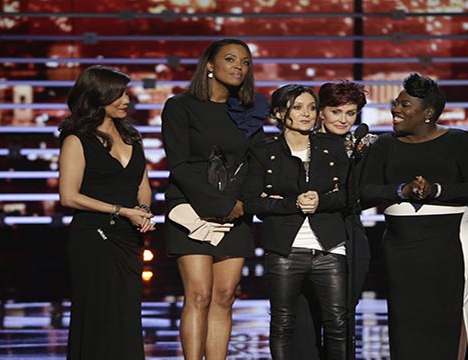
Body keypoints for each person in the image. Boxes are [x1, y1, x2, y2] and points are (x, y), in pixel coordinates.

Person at [360, 73, 468, 360]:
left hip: (451, 239)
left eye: (405, 105)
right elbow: (366, 189)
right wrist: (401, 190)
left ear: (428, 113)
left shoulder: (458, 141)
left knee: (452, 310)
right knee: (406, 316)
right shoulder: (384, 145)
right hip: (401, 244)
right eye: (396, 103)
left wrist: (436, 190)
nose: (396, 109)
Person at [161, 38, 268, 360]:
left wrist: (243, 205)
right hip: (191, 210)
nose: (240, 67)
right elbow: (179, 164)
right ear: (209, 65)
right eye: (231, 60)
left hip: (236, 212)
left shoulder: (251, 109)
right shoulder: (180, 106)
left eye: (246, 62)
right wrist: (220, 206)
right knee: (199, 294)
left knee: (224, 296)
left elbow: (257, 162)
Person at [244, 84, 349, 360]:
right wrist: (292, 203)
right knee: (282, 323)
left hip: (329, 246)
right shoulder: (264, 153)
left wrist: (321, 201)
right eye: (298, 107)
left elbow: (350, 195)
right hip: (285, 249)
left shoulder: (333, 147)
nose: (307, 114)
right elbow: (253, 202)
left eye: (312, 107)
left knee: (338, 323)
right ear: (280, 113)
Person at [58, 65, 155, 360]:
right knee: (99, 311)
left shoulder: (132, 137)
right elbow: (68, 196)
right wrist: (121, 210)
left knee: (126, 312)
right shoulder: (77, 140)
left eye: (126, 93)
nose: (126, 99)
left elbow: (143, 184)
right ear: (98, 96)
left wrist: (143, 211)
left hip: (127, 237)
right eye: (118, 94)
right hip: (94, 236)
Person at [291, 81, 377, 359]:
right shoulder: (301, 143)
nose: (343, 120)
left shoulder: (365, 147)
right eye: (336, 111)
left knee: (342, 319)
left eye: (350, 113)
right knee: (303, 319)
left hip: (349, 233)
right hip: (303, 236)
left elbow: (369, 193)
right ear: (321, 112)